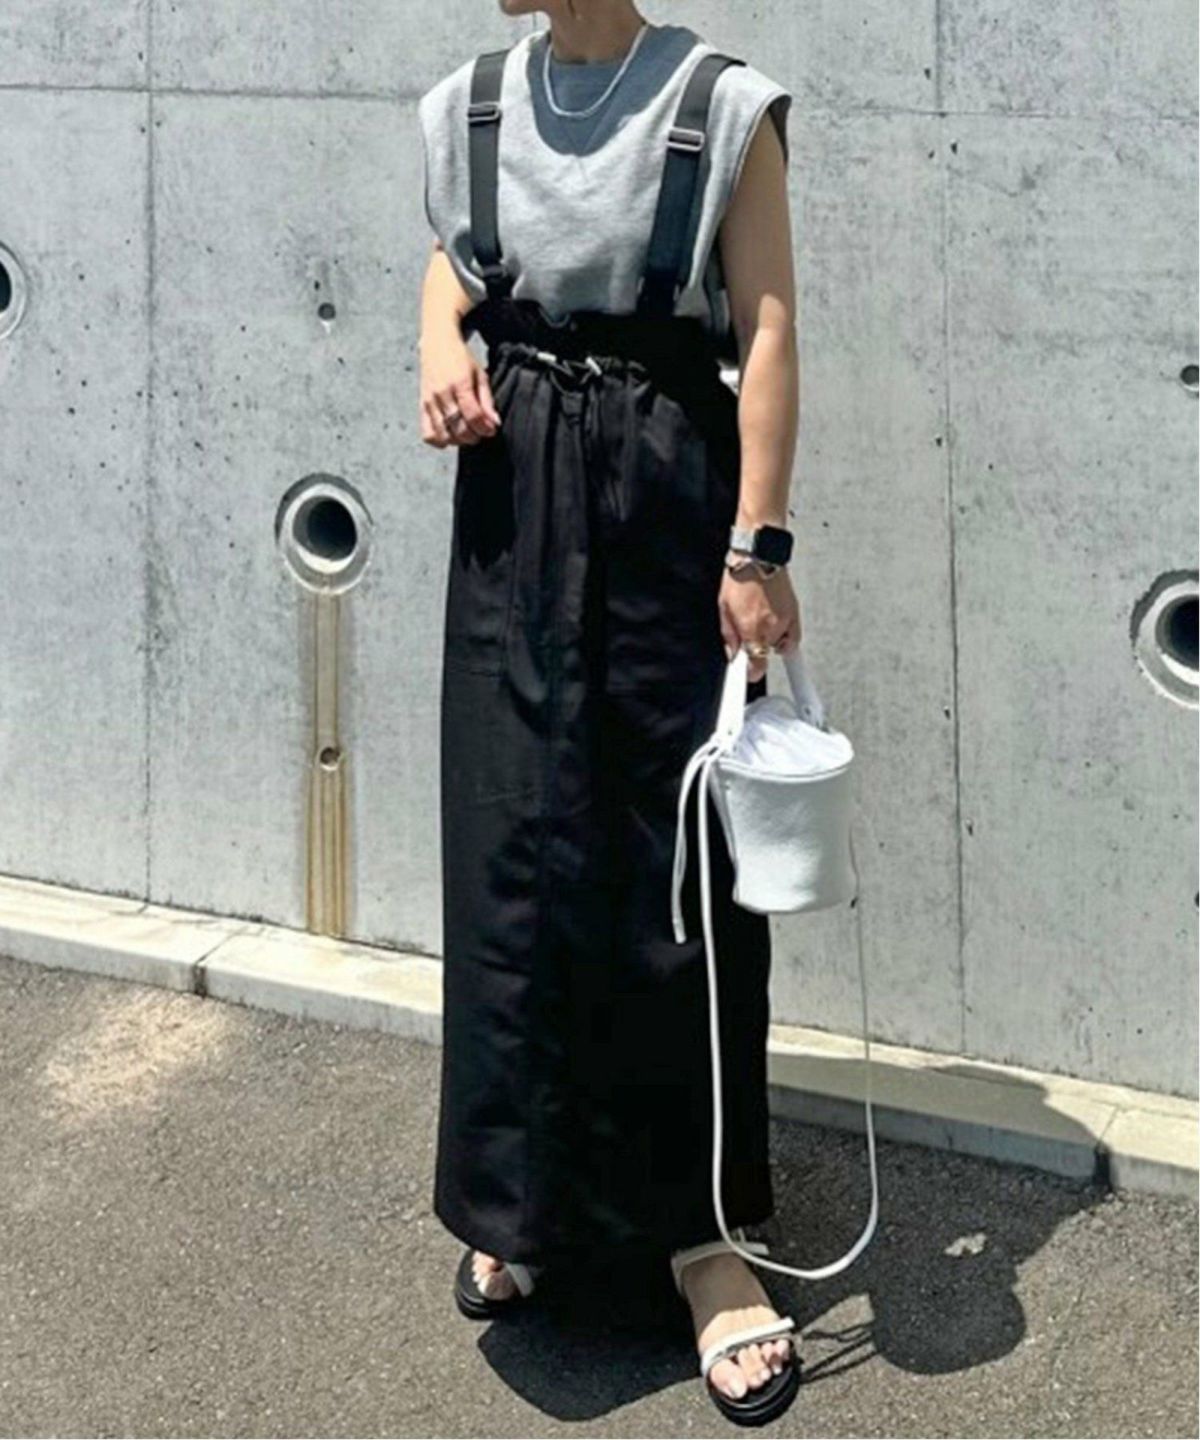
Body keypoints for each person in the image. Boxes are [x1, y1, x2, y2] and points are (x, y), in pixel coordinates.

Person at [416, 0, 803, 1423]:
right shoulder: (468, 102)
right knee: (513, 858)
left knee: (670, 865)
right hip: (510, 502)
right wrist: (436, 339)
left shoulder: (722, 104)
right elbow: (456, 265)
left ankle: (704, 1241)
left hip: (664, 492)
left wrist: (758, 547)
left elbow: (767, 329)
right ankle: (519, 1201)